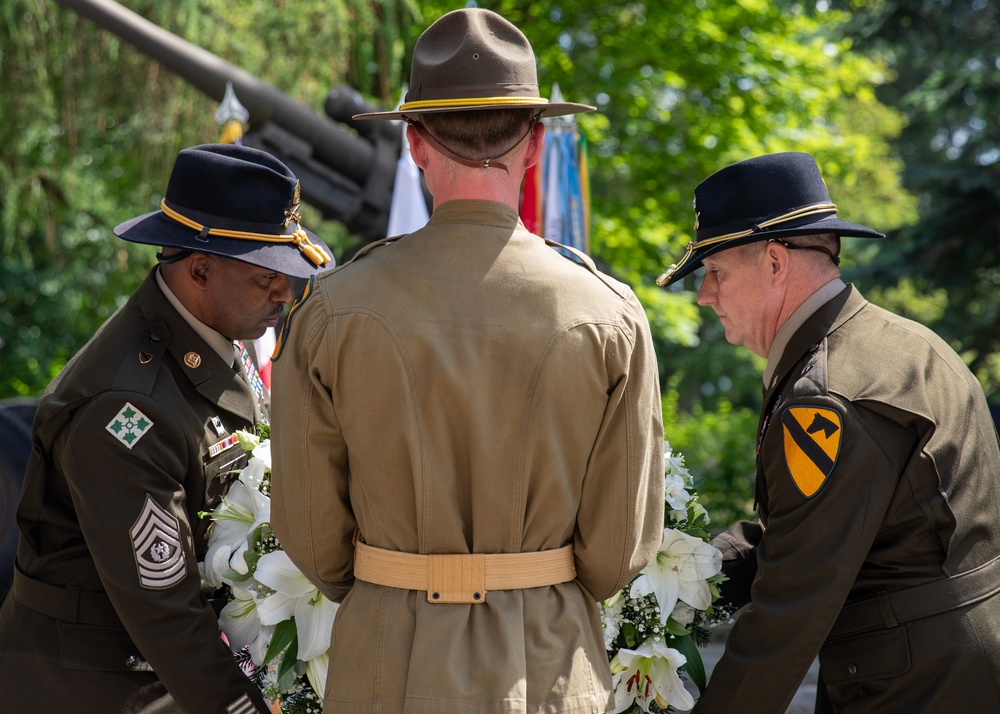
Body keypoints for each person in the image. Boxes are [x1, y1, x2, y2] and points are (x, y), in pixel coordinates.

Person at [268, 8, 665, 713]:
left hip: (387, 660)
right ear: (536, 143)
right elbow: (616, 551)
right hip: (546, 659)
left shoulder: (331, 308)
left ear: (415, 144)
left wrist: (398, 578)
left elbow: (311, 538)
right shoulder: (609, 313)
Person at [656, 151, 1000, 713]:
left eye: (716, 273)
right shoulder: (903, 344)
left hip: (913, 689)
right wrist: (683, 573)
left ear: (774, 262)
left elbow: (790, 607)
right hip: (951, 670)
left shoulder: (824, 397)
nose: (704, 296)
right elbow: (815, 529)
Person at [0, 143, 333, 713]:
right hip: (97, 683)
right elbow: (167, 613)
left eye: (287, 273)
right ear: (199, 269)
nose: (285, 292)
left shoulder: (216, 335)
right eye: (265, 276)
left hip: (164, 664)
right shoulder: (125, 408)